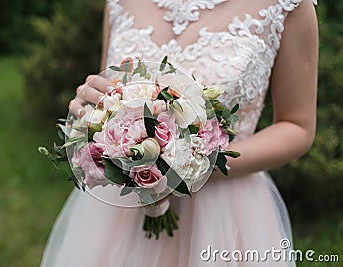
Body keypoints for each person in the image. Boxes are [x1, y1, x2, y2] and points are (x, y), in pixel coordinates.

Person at [41, 0, 318, 266]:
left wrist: (193, 166)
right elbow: (111, 86)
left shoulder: (287, 4)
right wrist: (93, 108)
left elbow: (297, 126)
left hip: (225, 212)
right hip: (120, 207)